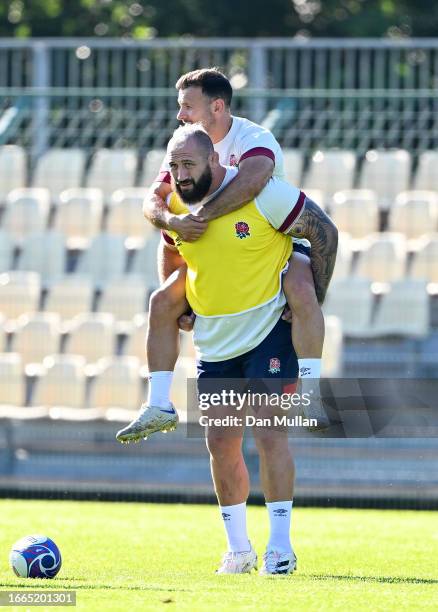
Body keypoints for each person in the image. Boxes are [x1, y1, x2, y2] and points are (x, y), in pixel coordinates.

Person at [117, 125, 338, 575]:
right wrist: (181, 305)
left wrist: (313, 295)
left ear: (215, 162)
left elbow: (323, 231)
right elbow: (174, 253)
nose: (179, 174)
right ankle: (238, 550)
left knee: (270, 435)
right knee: (220, 444)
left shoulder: (262, 193)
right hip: (216, 341)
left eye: (188, 165)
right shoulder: (175, 206)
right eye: (174, 165)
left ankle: (280, 548)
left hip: (268, 332)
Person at [129, 68, 328, 435]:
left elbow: (253, 182)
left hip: (270, 241)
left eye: (188, 106)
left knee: (302, 289)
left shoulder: (254, 137)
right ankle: (158, 404)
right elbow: (154, 201)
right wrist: (174, 224)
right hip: (213, 252)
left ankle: (312, 394)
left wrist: (199, 217)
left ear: (217, 106)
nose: (180, 115)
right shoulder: (185, 143)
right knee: (162, 300)